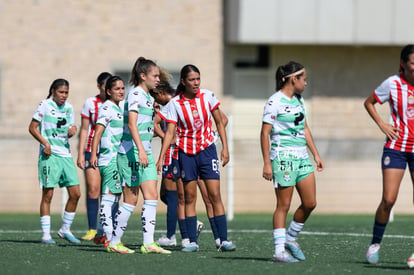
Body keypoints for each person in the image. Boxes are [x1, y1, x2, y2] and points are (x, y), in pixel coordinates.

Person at [156, 64, 236, 252]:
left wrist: (225, 147)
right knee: (189, 197)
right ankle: (192, 241)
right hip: (186, 153)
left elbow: (220, 121)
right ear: (183, 81)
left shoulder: (208, 96)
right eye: (192, 80)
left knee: (214, 195)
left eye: (198, 79)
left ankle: (223, 240)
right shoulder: (175, 103)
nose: (196, 83)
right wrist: (161, 158)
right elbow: (169, 132)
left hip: (208, 151)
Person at [260, 61, 324, 263]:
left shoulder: (299, 100)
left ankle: (291, 238)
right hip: (283, 158)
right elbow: (264, 133)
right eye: (303, 77)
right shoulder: (274, 102)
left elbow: (305, 128)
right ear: (293, 79)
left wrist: (315, 154)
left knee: (310, 203)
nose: (306, 81)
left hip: (302, 157)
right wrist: (267, 163)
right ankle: (279, 251)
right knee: (283, 205)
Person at [108, 57, 171, 254]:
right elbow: (131, 124)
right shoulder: (135, 94)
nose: (158, 79)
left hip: (145, 152)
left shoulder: (149, 97)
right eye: (155, 76)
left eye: (158, 76)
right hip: (131, 153)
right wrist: (141, 150)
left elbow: (146, 126)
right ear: (143, 76)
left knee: (152, 196)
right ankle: (114, 242)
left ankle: (148, 243)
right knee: (131, 200)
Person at [364, 44, 414, 264]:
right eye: (413, 63)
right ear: (403, 64)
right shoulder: (392, 84)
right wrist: (382, 124)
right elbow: (369, 102)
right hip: (396, 148)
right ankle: (375, 244)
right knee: (388, 200)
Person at [29, 78, 81, 244]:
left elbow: (69, 130)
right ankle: (46, 235)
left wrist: (73, 132)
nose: (64, 96)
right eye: (61, 92)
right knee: (48, 194)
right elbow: (32, 128)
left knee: (76, 194)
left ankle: (65, 229)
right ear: (53, 91)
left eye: (66, 93)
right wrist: (45, 143)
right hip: (49, 155)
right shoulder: (44, 105)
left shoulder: (69, 108)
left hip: (65, 155)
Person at [89, 76, 125, 250]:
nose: (121, 91)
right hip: (109, 158)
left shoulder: (118, 108)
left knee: (114, 197)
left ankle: (107, 236)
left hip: (116, 159)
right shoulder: (107, 107)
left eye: (122, 88)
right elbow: (98, 131)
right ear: (109, 91)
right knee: (108, 198)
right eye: (117, 89)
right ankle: (109, 238)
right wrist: (93, 153)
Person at [77, 72, 113, 241]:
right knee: (93, 189)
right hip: (92, 150)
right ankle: (92, 228)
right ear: (99, 86)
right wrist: (80, 153)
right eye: (105, 86)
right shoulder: (90, 103)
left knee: (110, 191)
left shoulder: (116, 104)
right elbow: (84, 129)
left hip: (111, 150)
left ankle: (106, 229)